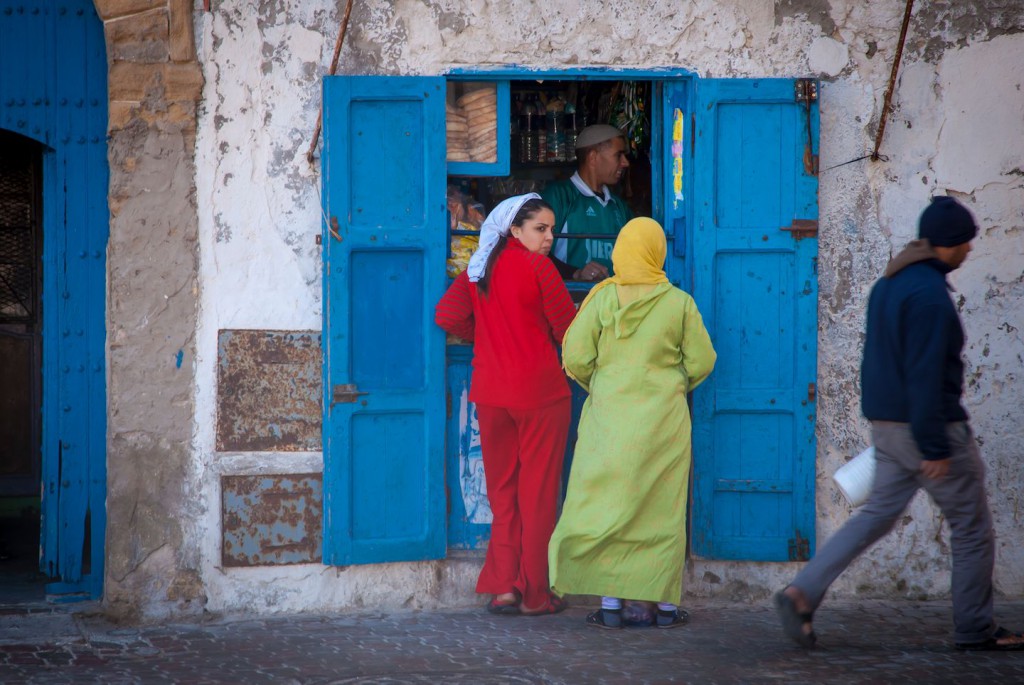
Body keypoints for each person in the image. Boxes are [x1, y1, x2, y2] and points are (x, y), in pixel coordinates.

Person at [775, 196, 1024, 651]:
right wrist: (934, 446)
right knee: (971, 526)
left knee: (875, 517)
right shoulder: (929, 297)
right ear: (947, 243)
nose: (970, 250)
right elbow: (926, 374)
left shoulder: (890, 283)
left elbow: (878, 361)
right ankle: (975, 627)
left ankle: (801, 592)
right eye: (966, 242)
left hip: (888, 428)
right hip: (929, 429)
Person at [548, 217, 717, 629]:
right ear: (657, 252)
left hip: (609, 419)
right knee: (660, 509)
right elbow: (702, 361)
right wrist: (673, 383)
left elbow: (574, 358)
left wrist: (602, 384)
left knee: (610, 505)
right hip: (664, 422)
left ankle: (611, 605)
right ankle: (661, 608)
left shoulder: (603, 300)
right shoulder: (679, 302)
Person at [434, 193, 577, 616]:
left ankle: (504, 588)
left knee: (504, 494)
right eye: (540, 229)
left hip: (492, 395)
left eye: (551, 229)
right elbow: (567, 328)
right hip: (541, 395)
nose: (549, 237)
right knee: (538, 495)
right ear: (514, 230)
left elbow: (447, 316)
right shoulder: (538, 268)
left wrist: (487, 335)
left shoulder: (479, 267)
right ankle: (536, 594)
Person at [542, 124, 633, 282]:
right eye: (619, 155)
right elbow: (535, 252)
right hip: (571, 301)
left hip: (613, 302)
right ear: (593, 157)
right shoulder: (559, 196)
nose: (625, 163)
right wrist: (575, 273)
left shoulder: (619, 206)